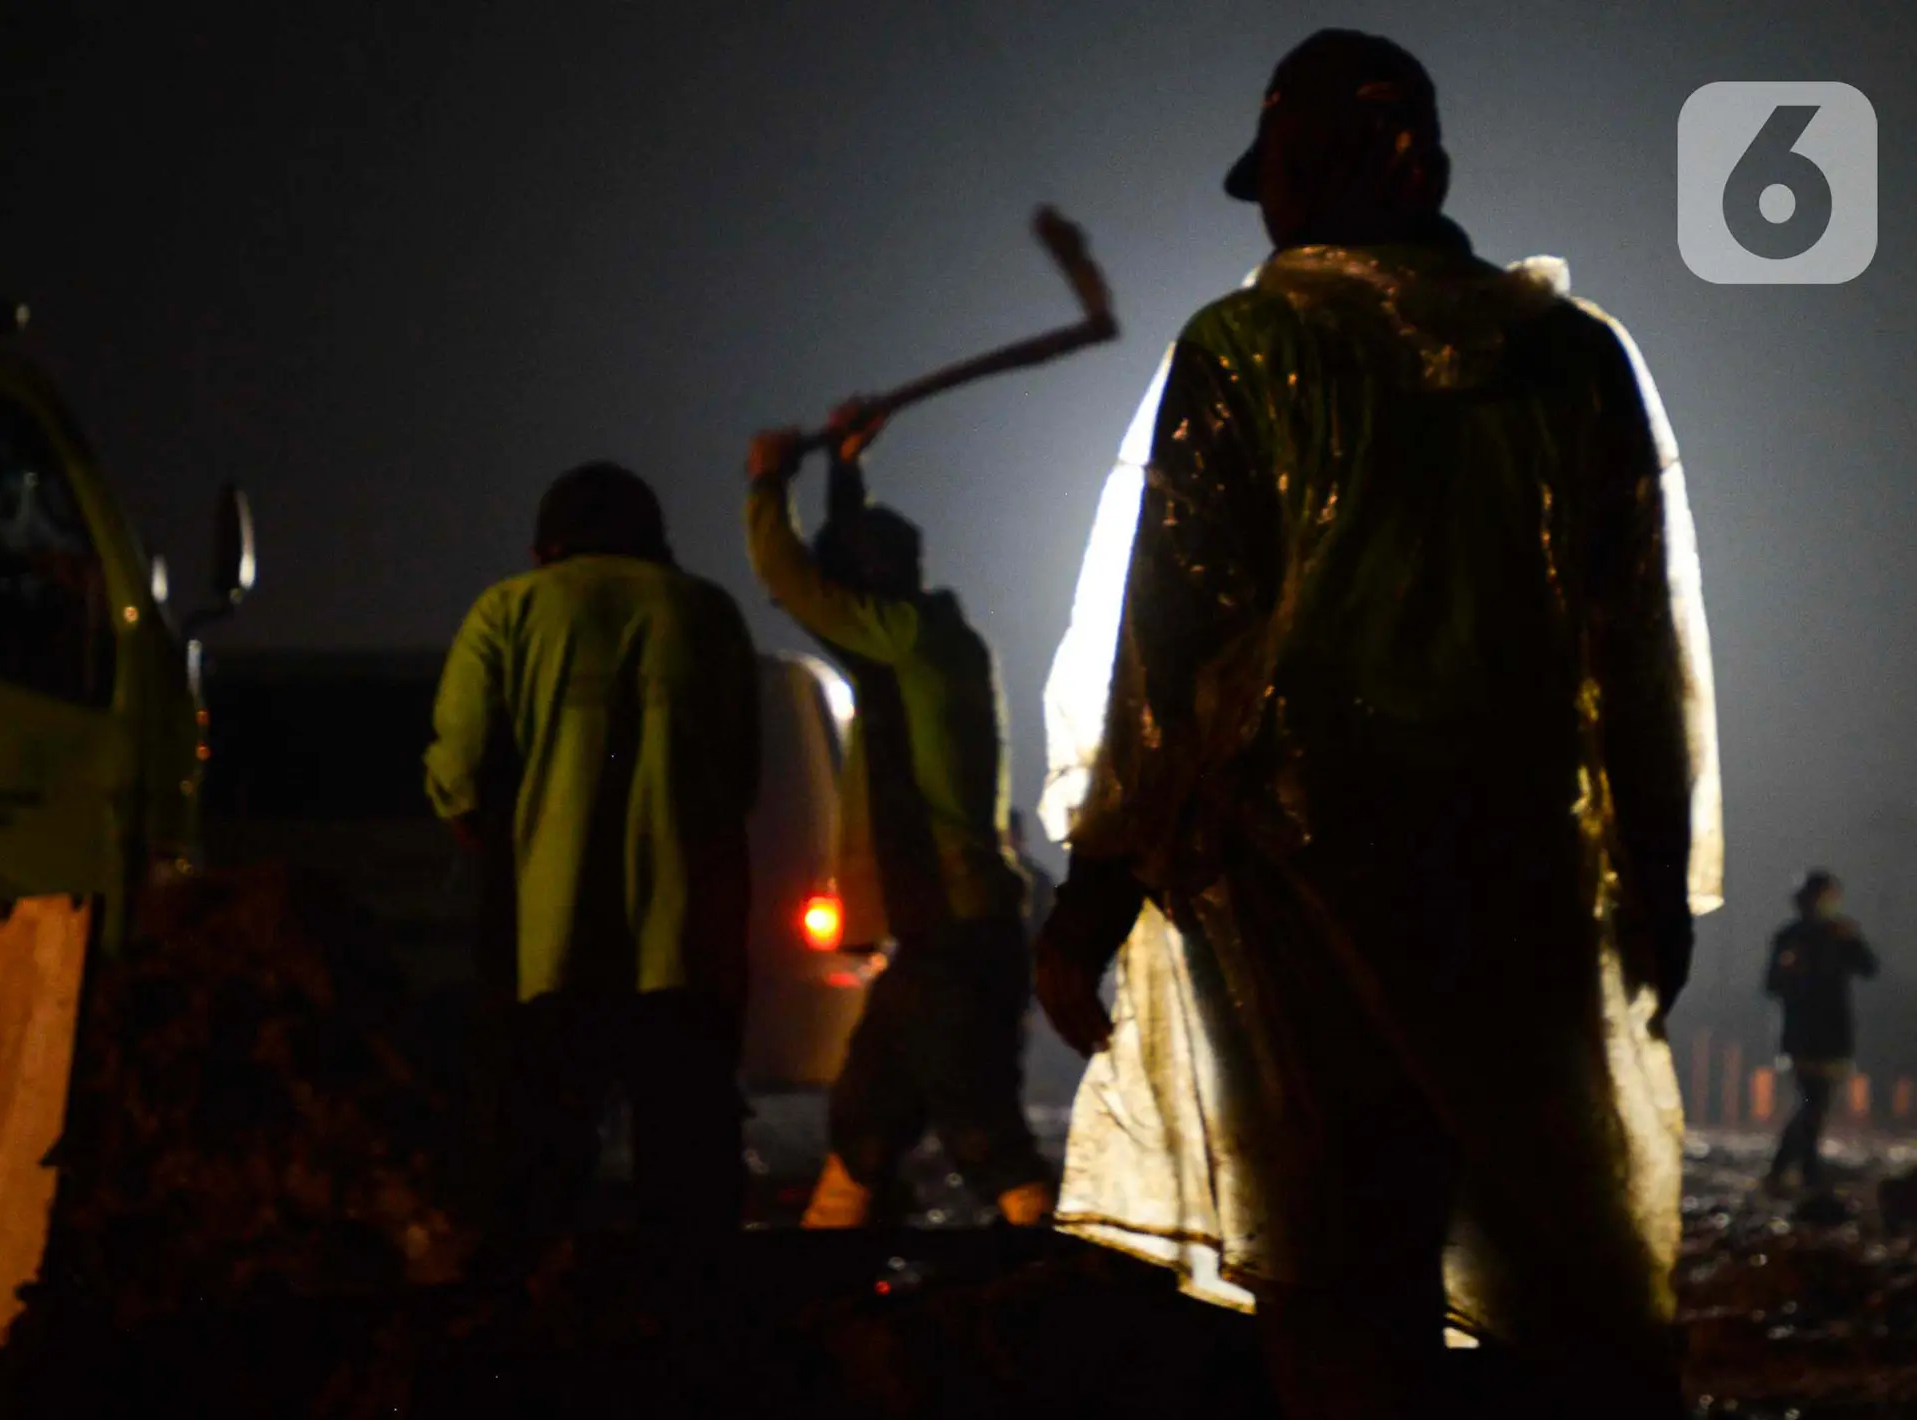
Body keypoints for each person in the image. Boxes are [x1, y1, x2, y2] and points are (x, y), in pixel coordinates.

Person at [1032, 30, 1720, 1420]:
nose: (1270, 207)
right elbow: (1634, 656)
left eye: (1281, 171)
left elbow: (1172, 655)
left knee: (1346, 1285)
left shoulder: (1244, 351)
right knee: (1555, 1270)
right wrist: (1652, 875)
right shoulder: (1569, 365)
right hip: (1520, 888)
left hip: (1294, 897)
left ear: (1324, 168)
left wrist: (1092, 897)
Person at [426, 462, 760, 1243]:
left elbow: (460, 780)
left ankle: (542, 1348)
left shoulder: (505, 611)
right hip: (686, 959)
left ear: (547, 546)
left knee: (533, 1189)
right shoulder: (709, 613)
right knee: (688, 1197)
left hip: (549, 960)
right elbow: (741, 780)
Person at [744, 417, 1050, 1229]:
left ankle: (1057, 1270)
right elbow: (838, 582)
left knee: (981, 1129)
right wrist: (847, 471)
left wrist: (770, 482)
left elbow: (796, 578)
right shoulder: (930, 639)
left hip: (949, 934)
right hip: (953, 929)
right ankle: (827, 1265)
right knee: (865, 1123)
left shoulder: (906, 642)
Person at [1766, 869, 1879, 1191]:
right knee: (1813, 1102)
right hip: (1802, 1032)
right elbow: (1772, 984)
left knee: (1815, 1103)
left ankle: (1790, 1168)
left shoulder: (1839, 934)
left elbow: (1869, 968)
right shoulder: (1790, 936)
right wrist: (1788, 969)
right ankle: (1803, 1170)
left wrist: (1853, 939)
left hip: (1832, 1031)